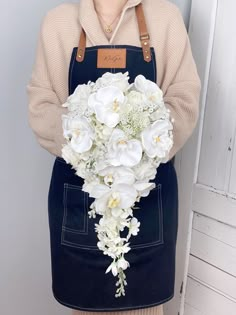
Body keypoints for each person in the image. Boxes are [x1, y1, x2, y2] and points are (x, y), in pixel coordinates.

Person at [26, 1, 201, 315]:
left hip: (148, 206)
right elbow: (41, 105)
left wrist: (140, 145)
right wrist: (89, 144)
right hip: (79, 204)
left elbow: (184, 96)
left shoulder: (165, 18)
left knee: (144, 308)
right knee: (84, 305)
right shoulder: (57, 23)